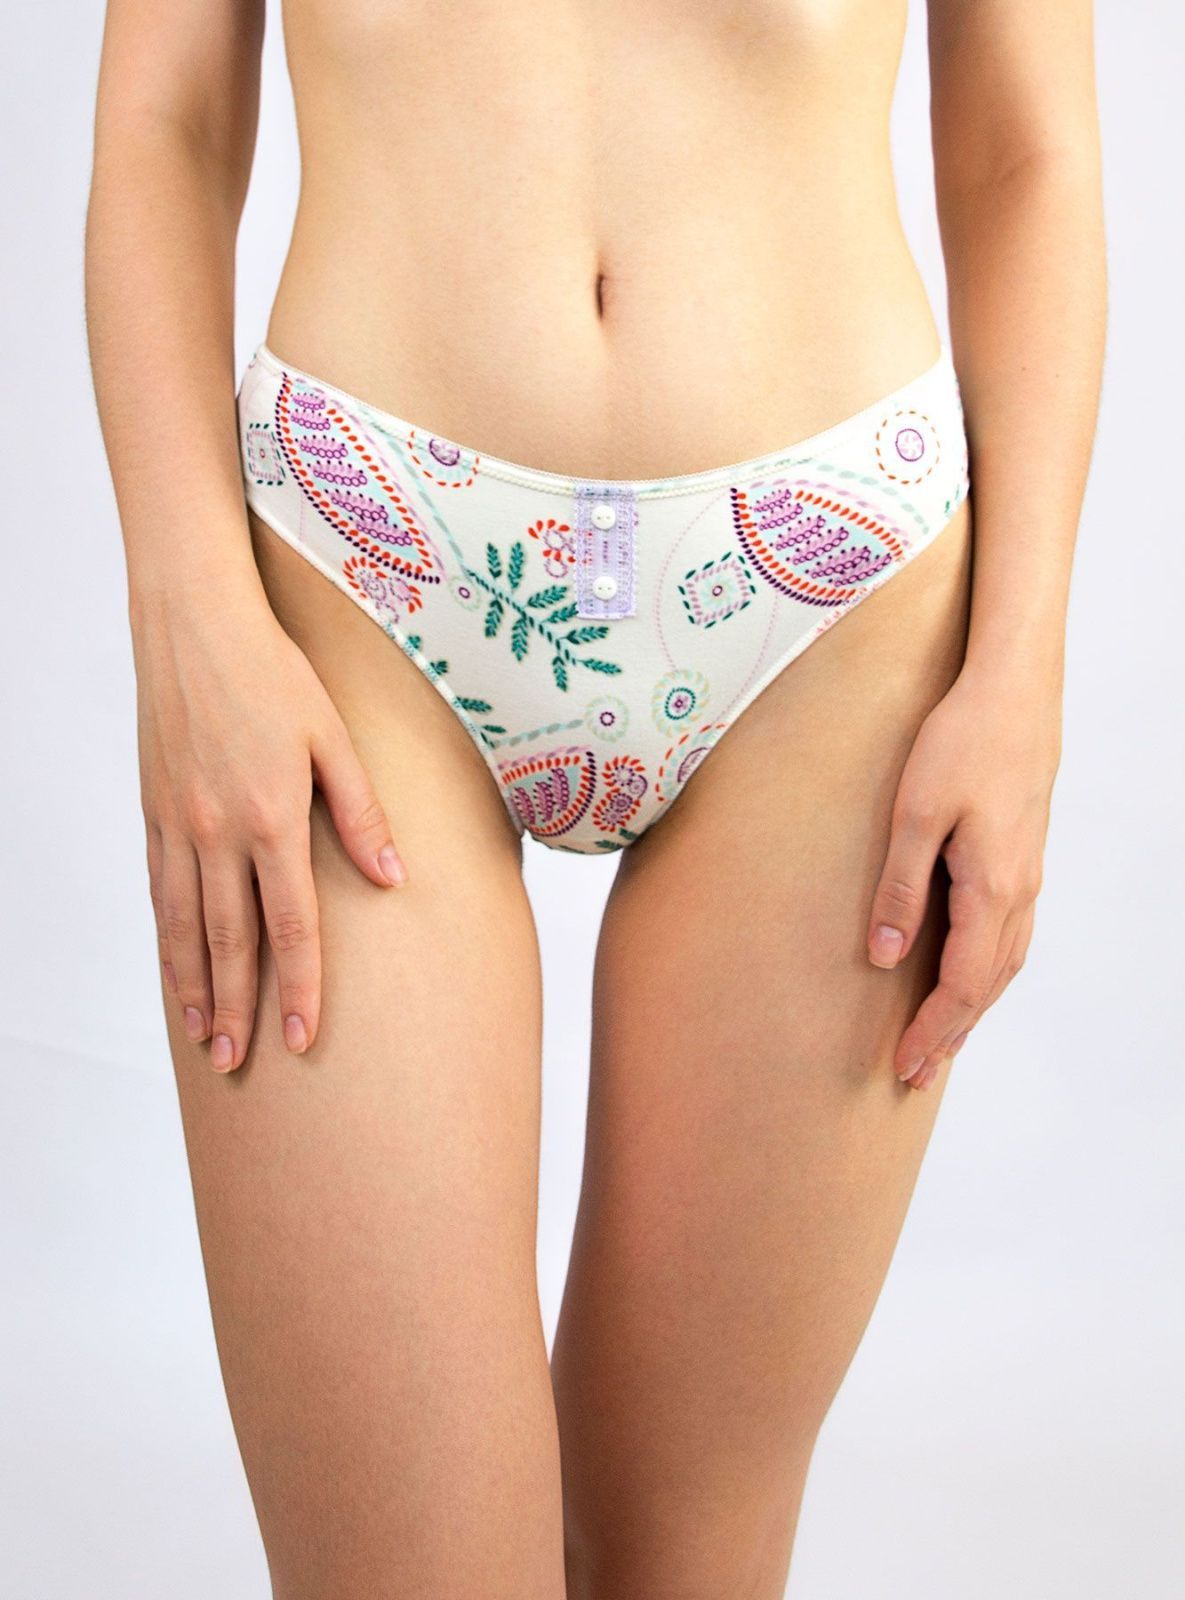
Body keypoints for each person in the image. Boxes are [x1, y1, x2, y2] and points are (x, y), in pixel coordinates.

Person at [84, 2, 1105, 1596]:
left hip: (835, 604)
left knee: (682, 1564)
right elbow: (165, 125)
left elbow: (1022, 149)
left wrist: (1021, 672)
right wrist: (188, 609)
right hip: (355, 580)